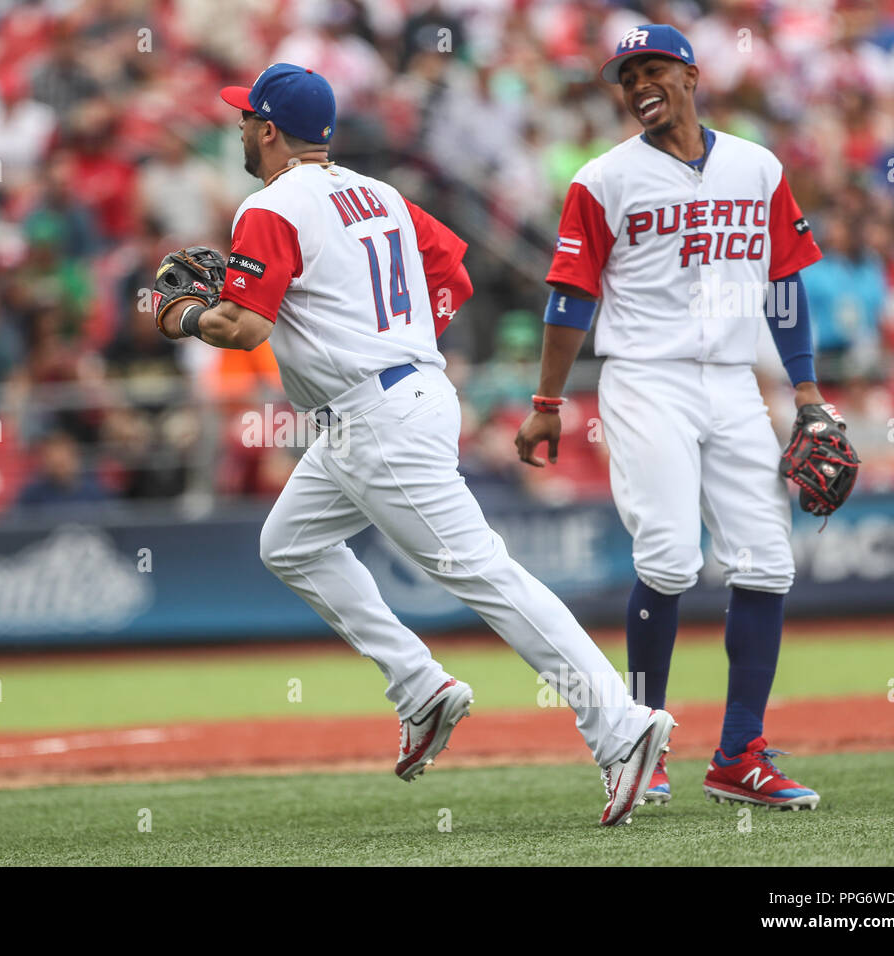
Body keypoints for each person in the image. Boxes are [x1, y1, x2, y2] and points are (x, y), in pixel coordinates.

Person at [156, 63, 673, 826]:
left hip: (376, 414)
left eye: (244, 118)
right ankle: (419, 686)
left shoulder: (268, 206)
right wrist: (390, 341)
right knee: (290, 543)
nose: (238, 127)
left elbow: (246, 327)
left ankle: (622, 727)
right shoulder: (382, 193)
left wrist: (181, 317)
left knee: (486, 575)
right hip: (394, 400)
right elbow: (454, 275)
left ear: (268, 129)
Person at [516, 25, 831, 812]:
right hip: (644, 378)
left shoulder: (757, 166)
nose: (637, 83)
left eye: (652, 67)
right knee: (667, 560)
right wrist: (547, 402)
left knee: (766, 562)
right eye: (626, 76)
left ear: (690, 75)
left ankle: (740, 755)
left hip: (731, 381)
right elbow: (570, 297)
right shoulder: (603, 177)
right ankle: (638, 738)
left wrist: (808, 393)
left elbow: (785, 285)